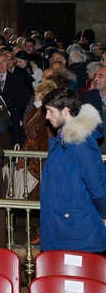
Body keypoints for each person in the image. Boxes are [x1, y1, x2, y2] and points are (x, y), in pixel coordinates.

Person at [40, 88, 106, 252]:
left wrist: (104, 215)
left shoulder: (80, 141)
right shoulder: (64, 138)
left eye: (51, 111)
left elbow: (96, 184)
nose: (47, 117)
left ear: (66, 111)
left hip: (75, 229)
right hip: (63, 225)